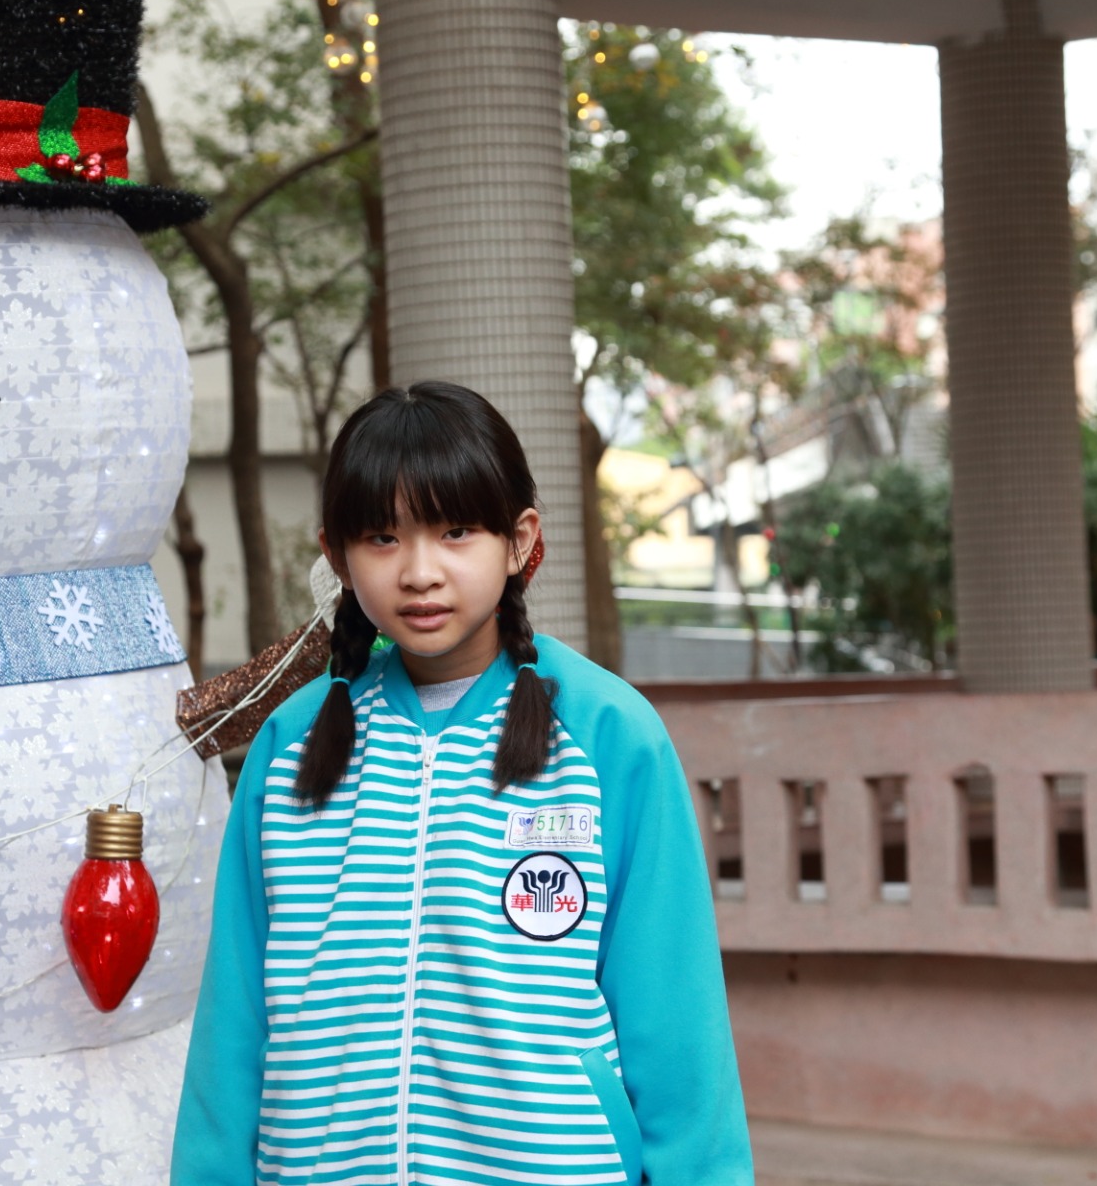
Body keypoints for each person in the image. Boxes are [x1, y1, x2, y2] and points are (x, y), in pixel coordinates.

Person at [172, 381, 752, 1185]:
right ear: (337, 556)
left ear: (519, 541)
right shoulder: (290, 744)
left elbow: (677, 1019)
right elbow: (233, 1021)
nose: (420, 572)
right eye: (382, 537)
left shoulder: (609, 736)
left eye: (455, 532)